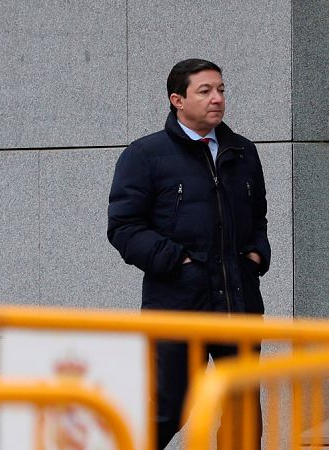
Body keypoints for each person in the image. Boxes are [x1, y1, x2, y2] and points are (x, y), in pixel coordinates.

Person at [107, 58, 269, 449]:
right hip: (179, 304)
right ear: (177, 99)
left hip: (238, 303)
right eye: (205, 91)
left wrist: (256, 256)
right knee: (169, 409)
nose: (217, 99)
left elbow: (258, 217)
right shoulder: (145, 155)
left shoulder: (242, 151)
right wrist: (177, 262)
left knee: (244, 415)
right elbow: (123, 227)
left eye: (221, 90)